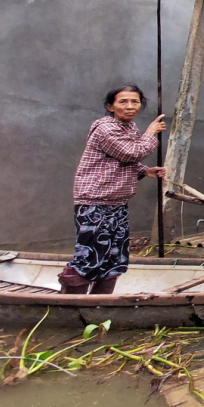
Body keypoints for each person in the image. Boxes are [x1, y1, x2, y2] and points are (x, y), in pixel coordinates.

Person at [57, 85, 167, 294]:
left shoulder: (130, 128)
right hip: (95, 202)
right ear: (111, 106)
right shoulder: (106, 128)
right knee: (90, 255)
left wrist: (145, 171)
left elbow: (119, 161)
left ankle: (100, 303)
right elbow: (129, 153)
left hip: (116, 202)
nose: (130, 106)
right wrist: (151, 133)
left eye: (135, 102)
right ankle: (71, 303)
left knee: (114, 257)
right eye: (122, 102)